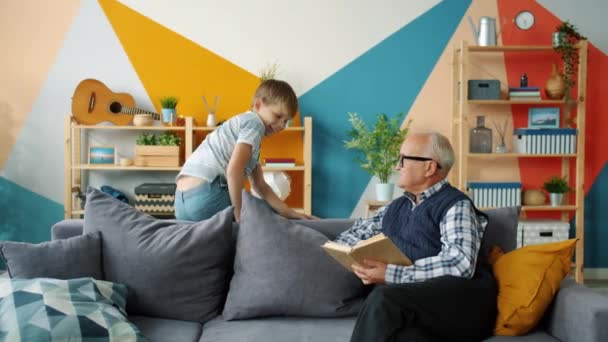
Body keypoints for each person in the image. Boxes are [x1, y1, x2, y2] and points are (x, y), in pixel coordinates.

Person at [334, 132, 497, 342]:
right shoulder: (396, 206)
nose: (396, 167)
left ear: (429, 167)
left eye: (403, 159)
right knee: (405, 336)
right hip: (417, 306)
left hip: (462, 306)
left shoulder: (456, 205)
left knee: (383, 298)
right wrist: (352, 256)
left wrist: (392, 274)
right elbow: (353, 235)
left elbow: (460, 263)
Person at [174, 79, 314, 222]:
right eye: (278, 116)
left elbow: (260, 185)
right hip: (206, 196)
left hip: (180, 202)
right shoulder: (255, 124)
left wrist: (289, 212)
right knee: (259, 213)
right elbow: (234, 170)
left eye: (286, 121)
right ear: (258, 105)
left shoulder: (242, 129)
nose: (281, 125)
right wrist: (239, 215)